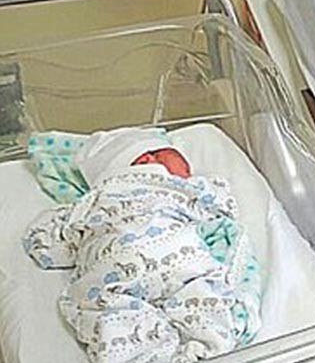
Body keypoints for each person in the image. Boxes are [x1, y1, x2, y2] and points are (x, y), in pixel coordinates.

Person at [24, 127, 261, 363]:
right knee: (200, 297)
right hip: (176, 257)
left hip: (111, 271)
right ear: (147, 159)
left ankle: (143, 355)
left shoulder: (90, 200)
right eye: (183, 166)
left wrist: (53, 244)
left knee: (111, 316)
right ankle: (207, 348)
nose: (188, 174)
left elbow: (50, 248)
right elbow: (221, 208)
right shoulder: (170, 184)